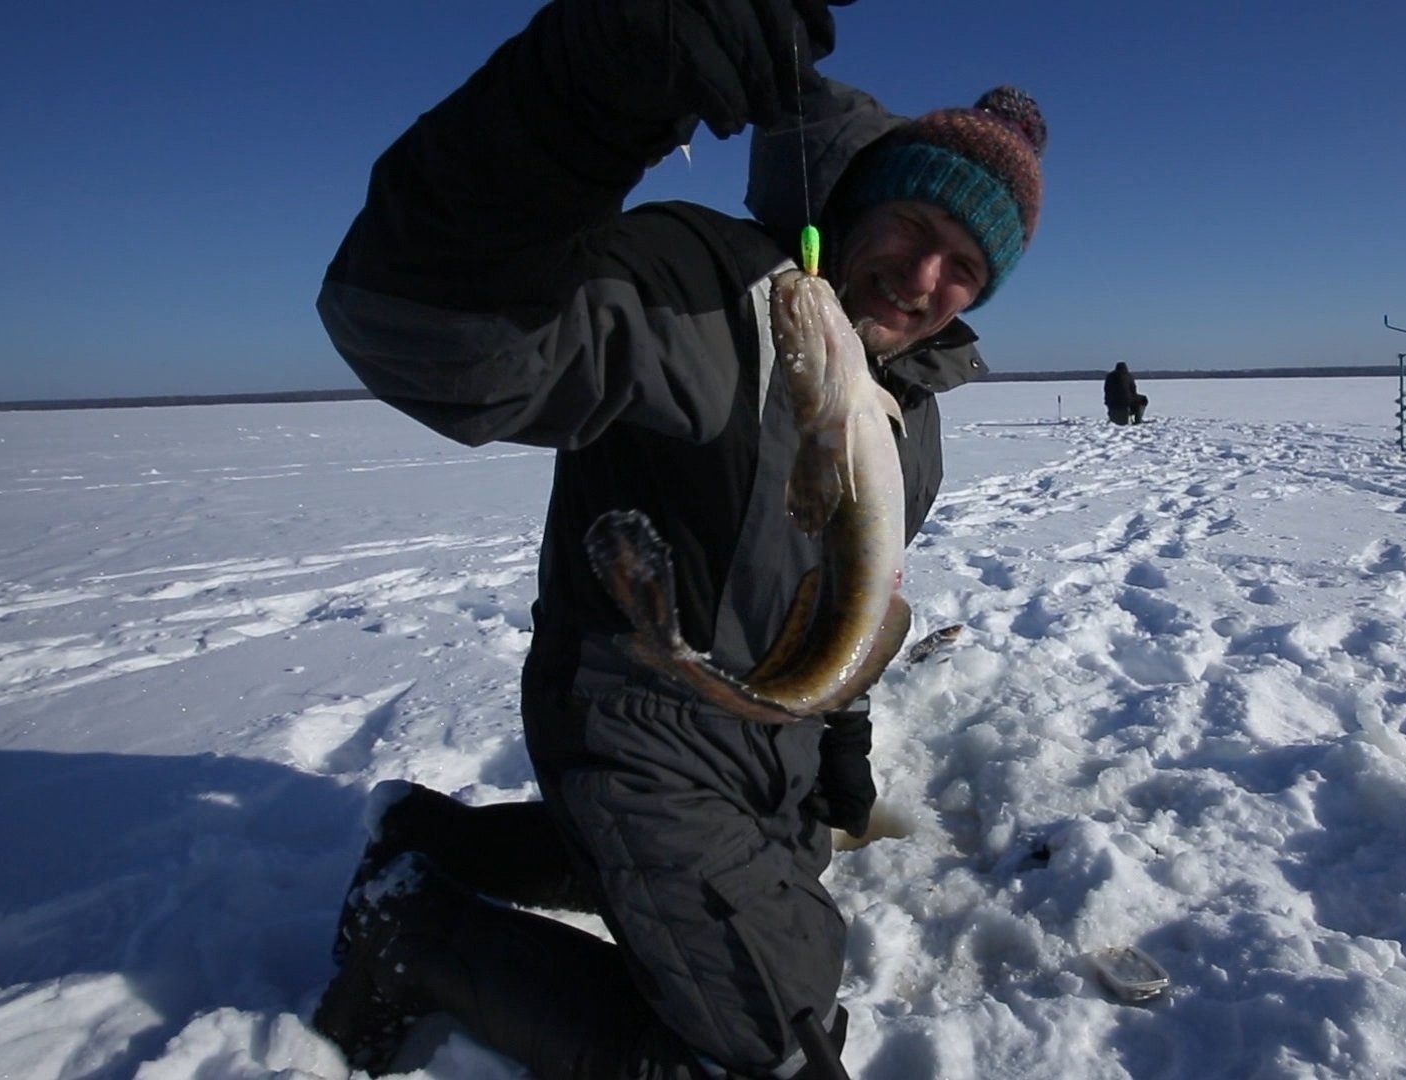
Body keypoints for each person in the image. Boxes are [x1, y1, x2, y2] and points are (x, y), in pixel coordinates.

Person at [304, 1, 1047, 1078]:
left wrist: (835, 740)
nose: (926, 281)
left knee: (788, 875)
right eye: (913, 232)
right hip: (636, 721)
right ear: (858, 203)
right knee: (768, 1052)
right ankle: (410, 936)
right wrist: (579, 99)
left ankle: (441, 845)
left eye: (966, 269)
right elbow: (435, 339)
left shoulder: (908, 411)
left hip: (763, 740)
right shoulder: (711, 287)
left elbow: (859, 587)